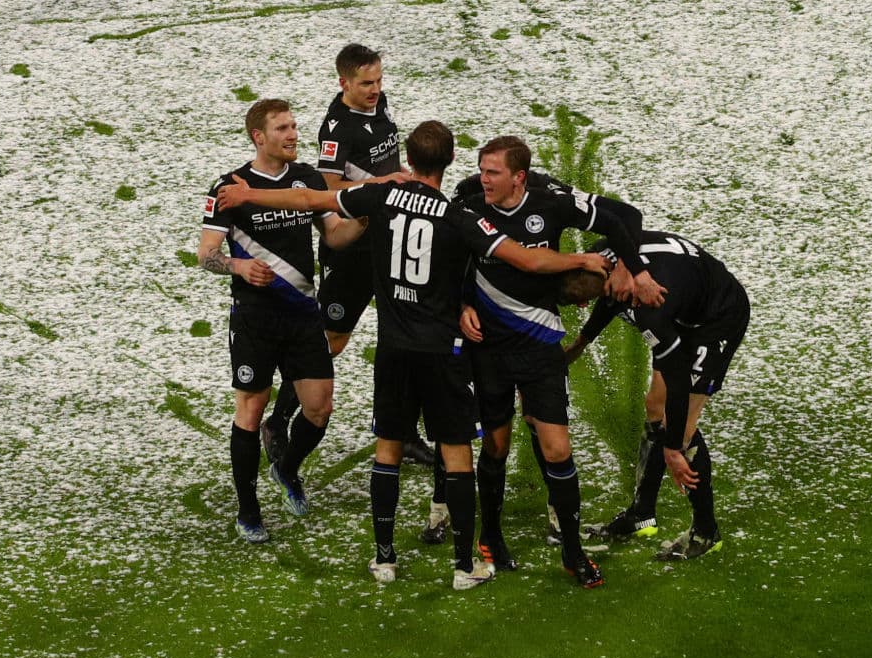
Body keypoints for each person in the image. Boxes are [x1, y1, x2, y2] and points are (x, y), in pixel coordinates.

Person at [216, 121, 612, 589]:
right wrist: (581, 260)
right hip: (442, 354)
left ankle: (384, 559)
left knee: (387, 452)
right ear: (448, 163)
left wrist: (248, 198)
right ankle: (466, 565)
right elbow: (524, 259)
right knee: (457, 453)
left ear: (408, 156)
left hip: (394, 351)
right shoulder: (460, 217)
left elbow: (310, 201)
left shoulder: (381, 196)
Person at [451, 136, 665, 586]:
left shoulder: (550, 205)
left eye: (493, 172)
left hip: (538, 346)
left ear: (519, 177)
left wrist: (632, 269)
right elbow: (452, 263)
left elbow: (620, 219)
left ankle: (572, 550)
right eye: (482, 170)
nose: (483, 179)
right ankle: (491, 536)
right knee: (496, 446)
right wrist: (460, 305)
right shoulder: (470, 206)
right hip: (486, 347)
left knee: (558, 448)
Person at [255, 43, 435, 467]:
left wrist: (398, 181)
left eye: (378, 80)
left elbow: (380, 159)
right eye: (365, 83)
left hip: (389, 238)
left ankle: (403, 432)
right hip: (353, 248)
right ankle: (278, 420)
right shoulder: (336, 128)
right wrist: (382, 184)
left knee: (403, 334)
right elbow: (326, 190)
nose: (375, 90)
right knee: (332, 339)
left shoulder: (380, 105)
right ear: (344, 83)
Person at [197, 99, 368, 541]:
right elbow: (206, 254)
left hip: (301, 315)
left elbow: (335, 234)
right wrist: (237, 267)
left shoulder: (306, 180)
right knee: (250, 410)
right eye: (283, 128)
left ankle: (288, 468)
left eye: (294, 127)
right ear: (259, 136)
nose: (294, 135)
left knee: (319, 407)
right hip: (255, 318)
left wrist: (363, 219)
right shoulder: (230, 187)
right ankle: (248, 510)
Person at [564, 230, 751, 559]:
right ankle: (641, 515)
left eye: (584, 298)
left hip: (717, 318)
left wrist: (672, 449)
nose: (584, 303)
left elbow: (678, 381)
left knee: (680, 428)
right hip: (685, 306)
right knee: (655, 406)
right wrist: (581, 343)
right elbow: (610, 298)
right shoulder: (604, 258)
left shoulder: (651, 305)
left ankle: (706, 532)